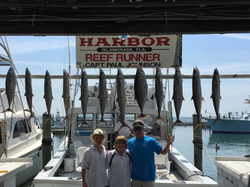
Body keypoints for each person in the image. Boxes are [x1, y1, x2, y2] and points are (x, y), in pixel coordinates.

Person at [127, 120, 175, 187]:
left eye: (139, 128)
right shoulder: (130, 142)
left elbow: (163, 152)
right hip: (135, 177)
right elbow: (125, 155)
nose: (137, 131)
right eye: (135, 129)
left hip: (149, 177)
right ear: (133, 130)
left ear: (143, 129)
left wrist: (168, 144)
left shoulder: (151, 141)